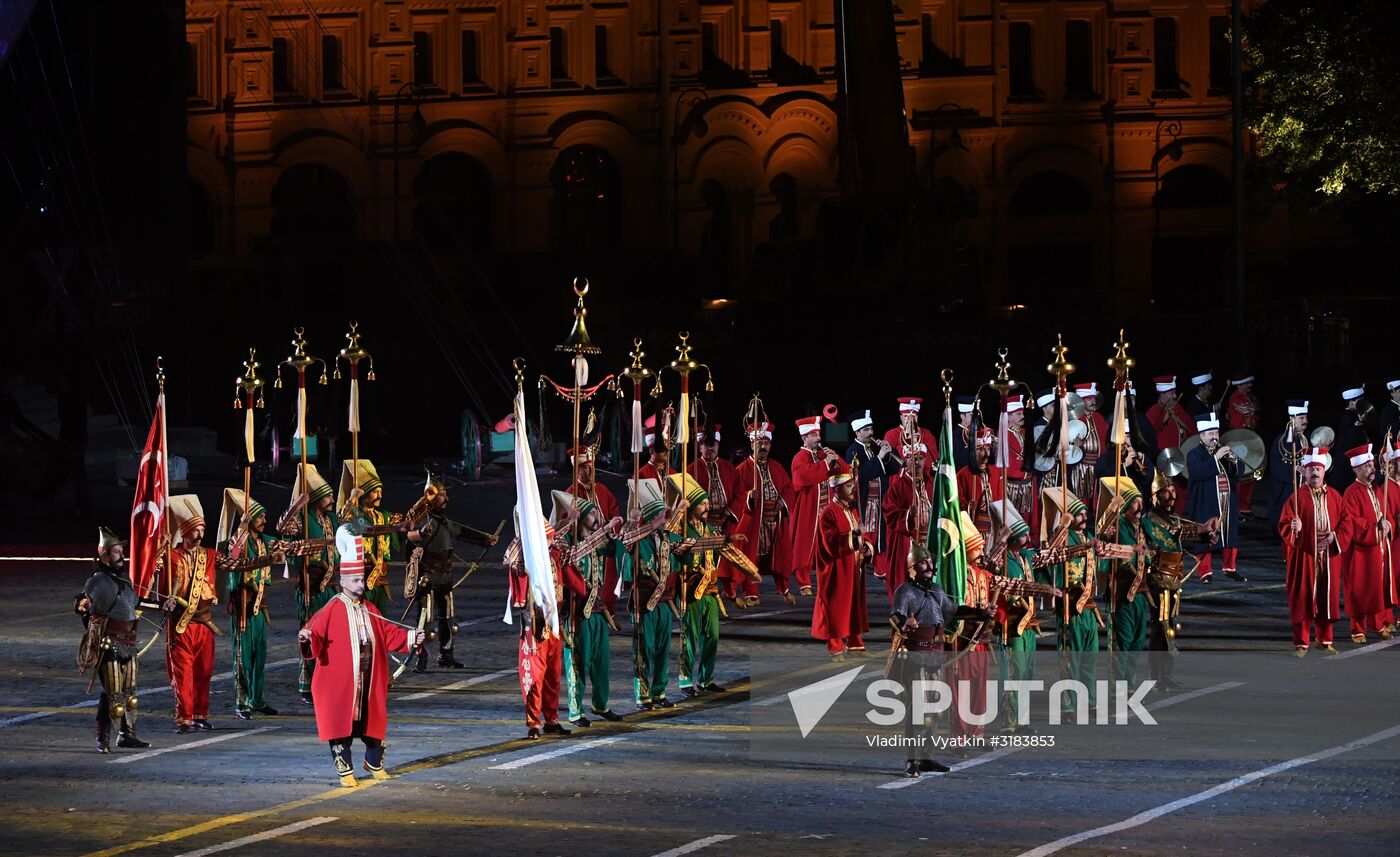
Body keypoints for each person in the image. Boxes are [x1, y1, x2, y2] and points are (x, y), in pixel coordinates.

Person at [299, 524, 424, 786]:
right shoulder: (331, 608)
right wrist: (307, 638)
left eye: (362, 580)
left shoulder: (370, 607)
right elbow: (314, 634)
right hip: (341, 681)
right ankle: (345, 769)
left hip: (369, 678)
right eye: (355, 580)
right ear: (342, 581)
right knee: (341, 726)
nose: (360, 585)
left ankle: (374, 761)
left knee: (372, 720)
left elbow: (387, 633)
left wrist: (412, 637)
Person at [889, 544, 989, 778]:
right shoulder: (905, 592)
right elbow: (895, 616)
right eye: (923, 563)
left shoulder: (936, 590)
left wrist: (980, 614)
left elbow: (953, 611)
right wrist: (904, 623)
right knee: (917, 710)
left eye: (930, 563)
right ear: (912, 568)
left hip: (936, 655)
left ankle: (926, 756)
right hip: (915, 655)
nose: (929, 567)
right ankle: (911, 760)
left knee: (935, 709)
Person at [405, 473, 498, 672]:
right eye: (442, 495)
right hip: (427, 576)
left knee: (447, 617)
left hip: (444, 577)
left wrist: (485, 539)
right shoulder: (423, 520)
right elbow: (409, 535)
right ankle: (421, 659)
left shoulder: (443, 522)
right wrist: (420, 534)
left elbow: (462, 532)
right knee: (425, 620)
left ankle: (446, 656)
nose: (446, 499)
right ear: (431, 496)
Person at [504, 513, 580, 739]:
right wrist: (524, 533)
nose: (550, 541)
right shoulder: (525, 560)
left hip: (554, 623)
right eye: (545, 538)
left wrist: (569, 522)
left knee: (553, 676)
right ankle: (533, 722)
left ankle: (552, 719)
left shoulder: (555, 555)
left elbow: (576, 549)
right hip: (534, 626)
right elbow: (509, 558)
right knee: (533, 677)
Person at [552, 491, 624, 725]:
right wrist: (568, 522)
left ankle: (601, 704)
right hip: (577, 614)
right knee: (578, 662)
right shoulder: (569, 545)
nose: (597, 515)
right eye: (592, 513)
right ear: (581, 517)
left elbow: (617, 548)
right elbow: (567, 555)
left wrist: (618, 528)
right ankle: (575, 710)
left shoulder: (598, 543)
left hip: (598, 612)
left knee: (601, 662)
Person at [76, 528, 149, 753]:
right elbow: (82, 602)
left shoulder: (124, 579)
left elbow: (134, 605)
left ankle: (127, 735)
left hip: (129, 643)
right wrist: (82, 606)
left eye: (121, 551)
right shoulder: (96, 581)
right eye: (117, 552)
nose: (121, 556)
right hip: (108, 644)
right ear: (105, 555)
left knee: (130, 695)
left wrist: (163, 606)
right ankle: (103, 738)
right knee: (113, 694)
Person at [670, 473, 741, 696]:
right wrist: (678, 510)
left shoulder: (708, 528)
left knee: (712, 635)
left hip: (710, 591)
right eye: (702, 503)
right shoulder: (682, 530)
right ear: (692, 507)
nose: (707, 506)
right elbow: (669, 539)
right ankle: (684, 680)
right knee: (689, 637)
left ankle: (706, 678)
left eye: (708, 502)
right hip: (690, 590)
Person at [217, 488, 285, 719]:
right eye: (260, 517)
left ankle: (257, 699)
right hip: (243, 609)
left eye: (264, 516)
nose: (265, 521)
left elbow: (285, 544)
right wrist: (242, 528)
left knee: (259, 657)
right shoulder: (240, 541)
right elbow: (234, 556)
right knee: (243, 658)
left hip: (259, 608)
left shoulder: (264, 541)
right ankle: (242, 702)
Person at [1140, 472, 1211, 691]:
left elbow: (1181, 533)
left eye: (1172, 491)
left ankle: (1166, 675)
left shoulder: (1173, 519)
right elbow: (1166, 539)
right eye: (1166, 492)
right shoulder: (1148, 521)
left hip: (1173, 580)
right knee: (1160, 628)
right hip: (1157, 580)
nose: (1171, 495)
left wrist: (1206, 535)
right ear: (1155, 496)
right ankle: (1156, 677)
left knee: (1170, 627)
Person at [277, 463, 339, 705]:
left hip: (329, 586)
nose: (332, 499)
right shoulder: (303, 518)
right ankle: (308, 685)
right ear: (316, 499)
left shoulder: (329, 518)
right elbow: (282, 527)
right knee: (310, 636)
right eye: (328, 496)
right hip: (310, 588)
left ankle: (326, 679)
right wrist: (297, 505)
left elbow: (353, 524)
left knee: (331, 637)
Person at [161, 495, 223, 732]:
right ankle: (184, 717)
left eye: (202, 531)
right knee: (182, 673)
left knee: (204, 672)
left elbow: (236, 565)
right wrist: (160, 546)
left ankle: (199, 714)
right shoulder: (171, 555)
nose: (199, 535)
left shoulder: (209, 555)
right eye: (195, 531)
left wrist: (268, 559)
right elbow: (151, 569)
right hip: (181, 625)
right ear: (184, 533)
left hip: (205, 624)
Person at [1037, 488, 1099, 714]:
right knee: (1070, 658)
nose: (1084, 518)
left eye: (1085, 513)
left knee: (1089, 657)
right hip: (1069, 607)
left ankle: (1089, 700)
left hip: (1089, 607)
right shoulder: (1064, 536)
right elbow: (1048, 555)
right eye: (1079, 514)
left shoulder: (1087, 537)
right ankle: (1069, 705)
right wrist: (1062, 526)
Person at [722, 422, 796, 608]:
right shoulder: (741, 470)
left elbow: (788, 487)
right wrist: (748, 496)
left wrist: (782, 501)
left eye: (766, 444)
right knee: (749, 557)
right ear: (752, 444)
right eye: (759, 443)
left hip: (774, 521)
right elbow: (735, 495)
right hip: (754, 522)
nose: (763, 447)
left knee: (782, 556)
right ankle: (750, 592)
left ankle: (784, 588)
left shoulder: (777, 467)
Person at [1277, 448, 1343, 655]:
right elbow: (1284, 524)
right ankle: (1301, 642)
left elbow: (1346, 522)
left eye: (1318, 469)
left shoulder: (1335, 496)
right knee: (1303, 596)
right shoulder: (1296, 497)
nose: (1315, 473)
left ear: (1324, 471)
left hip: (1328, 556)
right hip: (1304, 555)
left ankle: (1325, 640)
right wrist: (1293, 528)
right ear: (1304, 472)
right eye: (1311, 469)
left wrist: (1335, 537)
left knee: (1326, 597)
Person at [619, 479, 677, 709]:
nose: (666, 520)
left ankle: (659, 692)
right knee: (644, 649)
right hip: (644, 602)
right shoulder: (636, 538)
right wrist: (640, 520)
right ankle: (642, 694)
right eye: (662, 515)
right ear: (653, 517)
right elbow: (624, 539)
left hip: (663, 601)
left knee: (663, 649)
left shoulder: (664, 539)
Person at [811, 460, 871, 660]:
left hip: (854, 567)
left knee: (854, 605)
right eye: (848, 485)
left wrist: (867, 546)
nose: (852, 489)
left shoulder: (851, 510)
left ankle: (855, 644)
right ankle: (835, 647)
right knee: (836, 607)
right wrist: (854, 536)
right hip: (836, 569)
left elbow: (863, 537)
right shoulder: (829, 512)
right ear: (836, 489)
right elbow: (830, 543)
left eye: (852, 484)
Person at [1336, 444, 1396, 643]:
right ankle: (1358, 629)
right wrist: (1374, 528)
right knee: (1360, 590)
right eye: (1368, 466)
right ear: (1357, 469)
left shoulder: (1377, 489)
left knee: (1377, 588)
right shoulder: (1351, 493)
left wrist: (1388, 524)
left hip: (1379, 549)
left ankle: (1378, 624)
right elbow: (1351, 521)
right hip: (1360, 552)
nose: (1373, 469)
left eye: (1372, 465)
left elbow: (1385, 514)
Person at [1097, 477, 1151, 690]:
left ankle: (1129, 684)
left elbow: (1165, 532)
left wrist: (1200, 531)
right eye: (1134, 503)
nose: (1139, 507)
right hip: (1121, 593)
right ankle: (1117, 687)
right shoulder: (1117, 526)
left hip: (1140, 593)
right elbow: (1101, 532)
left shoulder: (1141, 526)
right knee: (1122, 643)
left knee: (1137, 643)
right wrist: (1113, 508)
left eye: (1140, 502)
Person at [989, 501, 1039, 732]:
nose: (1029, 535)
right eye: (1024, 533)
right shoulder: (1004, 561)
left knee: (1027, 673)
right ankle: (1009, 722)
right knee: (1012, 674)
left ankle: (1023, 719)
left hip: (1028, 624)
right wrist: (1000, 539)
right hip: (1012, 626)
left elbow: (1055, 555)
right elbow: (990, 564)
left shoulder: (1026, 557)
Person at [337, 459, 406, 613]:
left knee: (380, 620)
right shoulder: (357, 514)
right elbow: (349, 521)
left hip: (380, 580)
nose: (379, 496)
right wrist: (352, 498)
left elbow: (405, 520)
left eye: (381, 492)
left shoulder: (383, 516)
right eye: (375, 492)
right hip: (363, 578)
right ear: (365, 494)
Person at [1186, 414, 1247, 584]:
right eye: (1210, 433)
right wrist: (1216, 458)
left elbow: (1238, 473)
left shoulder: (1223, 451)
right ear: (1202, 435)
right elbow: (1198, 472)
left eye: (1216, 432)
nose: (1214, 437)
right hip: (1206, 501)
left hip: (1227, 499)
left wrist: (1234, 461)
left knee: (1229, 533)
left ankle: (1230, 568)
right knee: (1206, 534)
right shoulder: (1194, 454)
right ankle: (1205, 572)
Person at [790, 416, 838, 599]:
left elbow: (838, 470)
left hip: (826, 508)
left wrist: (833, 458)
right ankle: (804, 582)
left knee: (825, 547)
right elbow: (803, 477)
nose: (818, 438)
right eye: (813, 435)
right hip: (809, 509)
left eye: (818, 434)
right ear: (804, 438)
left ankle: (825, 579)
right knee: (805, 547)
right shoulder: (800, 457)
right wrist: (825, 464)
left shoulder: (821, 455)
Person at [881, 442, 933, 605]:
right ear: (906, 462)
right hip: (908, 542)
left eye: (920, 458)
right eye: (912, 459)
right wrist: (908, 515)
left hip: (929, 542)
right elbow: (888, 511)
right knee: (907, 579)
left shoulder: (931, 483)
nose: (917, 462)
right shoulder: (898, 485)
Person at [845, 410, 897, 574]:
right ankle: (864, 567)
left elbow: (893, 469)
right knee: (867, 535)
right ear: (857, 432)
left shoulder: (875, 447)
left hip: (882, 499)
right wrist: (879, 459)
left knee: (882, 535)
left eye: (871, 428)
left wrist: (890, 453)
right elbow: (857, 476)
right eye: (866, 430)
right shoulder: (852, 450)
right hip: (866, 501)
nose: (871, 433)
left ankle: (881, 568)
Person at [1145, 375, 1195, 514]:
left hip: (1179, 459)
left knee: (1180, 491)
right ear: (1162, 394)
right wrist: (1163, 418)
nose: (1175, 396)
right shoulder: (1155, 410)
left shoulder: (1177, 408)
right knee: (1165, 491)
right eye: (1171, 393)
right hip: (1163, 460)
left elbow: (1191, 428)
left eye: (1174, 392)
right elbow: (1149, 432)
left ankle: (1178, 517)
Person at [1267, 401, 1310, 532]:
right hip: (1286, 488)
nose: (1305, 421)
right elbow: (1276, 467)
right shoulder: (1281, 440)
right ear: (1292, 419)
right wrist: (1295, 470)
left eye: (1306, 417)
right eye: (1301, 418)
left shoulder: (1306, 439)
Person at [688, 425, 738, 534]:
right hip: (701, 525)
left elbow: (740, 493)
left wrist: (731, 510)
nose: (710, 448)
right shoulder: (691, 470)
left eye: (713, 445)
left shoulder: (729, 468)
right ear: (700, 447)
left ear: (718, 446)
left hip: (726, 523)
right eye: (706, 445)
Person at [1225, 373, 1261, 517]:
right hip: (1239, 441)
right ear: (1239, 384)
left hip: (1250, 439)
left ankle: (1245, 506)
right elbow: (1250, 411)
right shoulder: (1235, 398)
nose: (1249, 386)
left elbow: (1256, 410)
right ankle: (1237, 507)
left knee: (1251, 474)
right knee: (1240, 475)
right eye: (1246, 383)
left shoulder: (1250, 398)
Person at [1329, 385, 1373, 491]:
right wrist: (1356, 425)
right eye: (1360, 401)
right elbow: (1348, 443)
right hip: (1346, 472)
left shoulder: (1354, 416)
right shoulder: (1348, 418)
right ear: (1352, 403)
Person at [958, 428, 997, 541]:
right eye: (981, 450)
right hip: (973, 531)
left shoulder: (995, 473)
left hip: (994, 529)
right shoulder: (963, 475)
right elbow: (958, 503)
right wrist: (968, 508)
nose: (987, 454)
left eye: (988, 449)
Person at [882, 397, 937, 463]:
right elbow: (890, 460)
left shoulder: (926, 433)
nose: (910, 420)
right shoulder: (891, 434)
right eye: (906, 416)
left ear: (917, 417)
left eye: (913, 416)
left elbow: (934, 458)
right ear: (901, 418)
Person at [951, 395, 977, 469]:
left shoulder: (976, 432)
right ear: (962, 416)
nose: (974, 419)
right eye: (971, 416)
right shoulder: (955, 435)